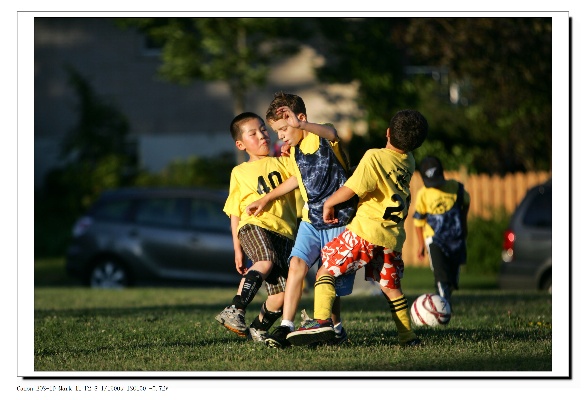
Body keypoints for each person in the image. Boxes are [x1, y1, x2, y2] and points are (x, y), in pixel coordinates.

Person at [286, 109, 428, 347]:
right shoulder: (409, 161)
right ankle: (407, 336)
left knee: (326, 271)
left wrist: (330, 202)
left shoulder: (374, 157)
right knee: (391, 288)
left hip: (365, 232)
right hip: (391, 237)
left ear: (388, 133)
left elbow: (353, 188)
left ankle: (321, 322)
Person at [245, 92, 357, 348]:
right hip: (309, 221)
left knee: (328, 282)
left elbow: (333, 132)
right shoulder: (294, 151)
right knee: (296, 264)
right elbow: (296, 179)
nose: (281, 135)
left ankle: (335, 328)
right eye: (278, 131)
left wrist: (302, 127)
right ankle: (286, 327)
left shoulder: (322, 138)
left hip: (337, 222)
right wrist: (266, 199)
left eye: (284, 128)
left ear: (301, 118)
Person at [215, 112, 298, 342]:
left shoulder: (283, 162)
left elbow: (300, 176)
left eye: (263, 129)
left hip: (284, 232)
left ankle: (258, 327)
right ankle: (235, 309)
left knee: (282, 293)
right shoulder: (239, 172)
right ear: (240, 144)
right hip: (254, 226)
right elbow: (235, 212)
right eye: (253, 133)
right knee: (266, 259)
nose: (262, 135)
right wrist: (237, 248)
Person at [413, 156, 470, 310]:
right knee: (440, 272)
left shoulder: (456, 188)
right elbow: (418, 222)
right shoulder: (423, 194)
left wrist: (463, 224)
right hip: (435, 239)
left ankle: (446, 296)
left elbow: (466, 202)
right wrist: (421, 245)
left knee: (452, 277)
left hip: (455, 239)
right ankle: (442, 306)